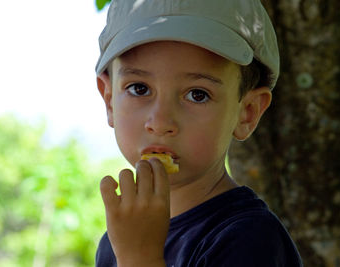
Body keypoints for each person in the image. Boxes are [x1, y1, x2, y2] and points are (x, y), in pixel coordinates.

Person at [94, 0, 303, 266]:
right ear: (109, 99)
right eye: (139, 89)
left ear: (247, 112)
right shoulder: (116, 242)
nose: (160, 122)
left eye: (197, 94)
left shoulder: (250, 238)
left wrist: (139, 258)